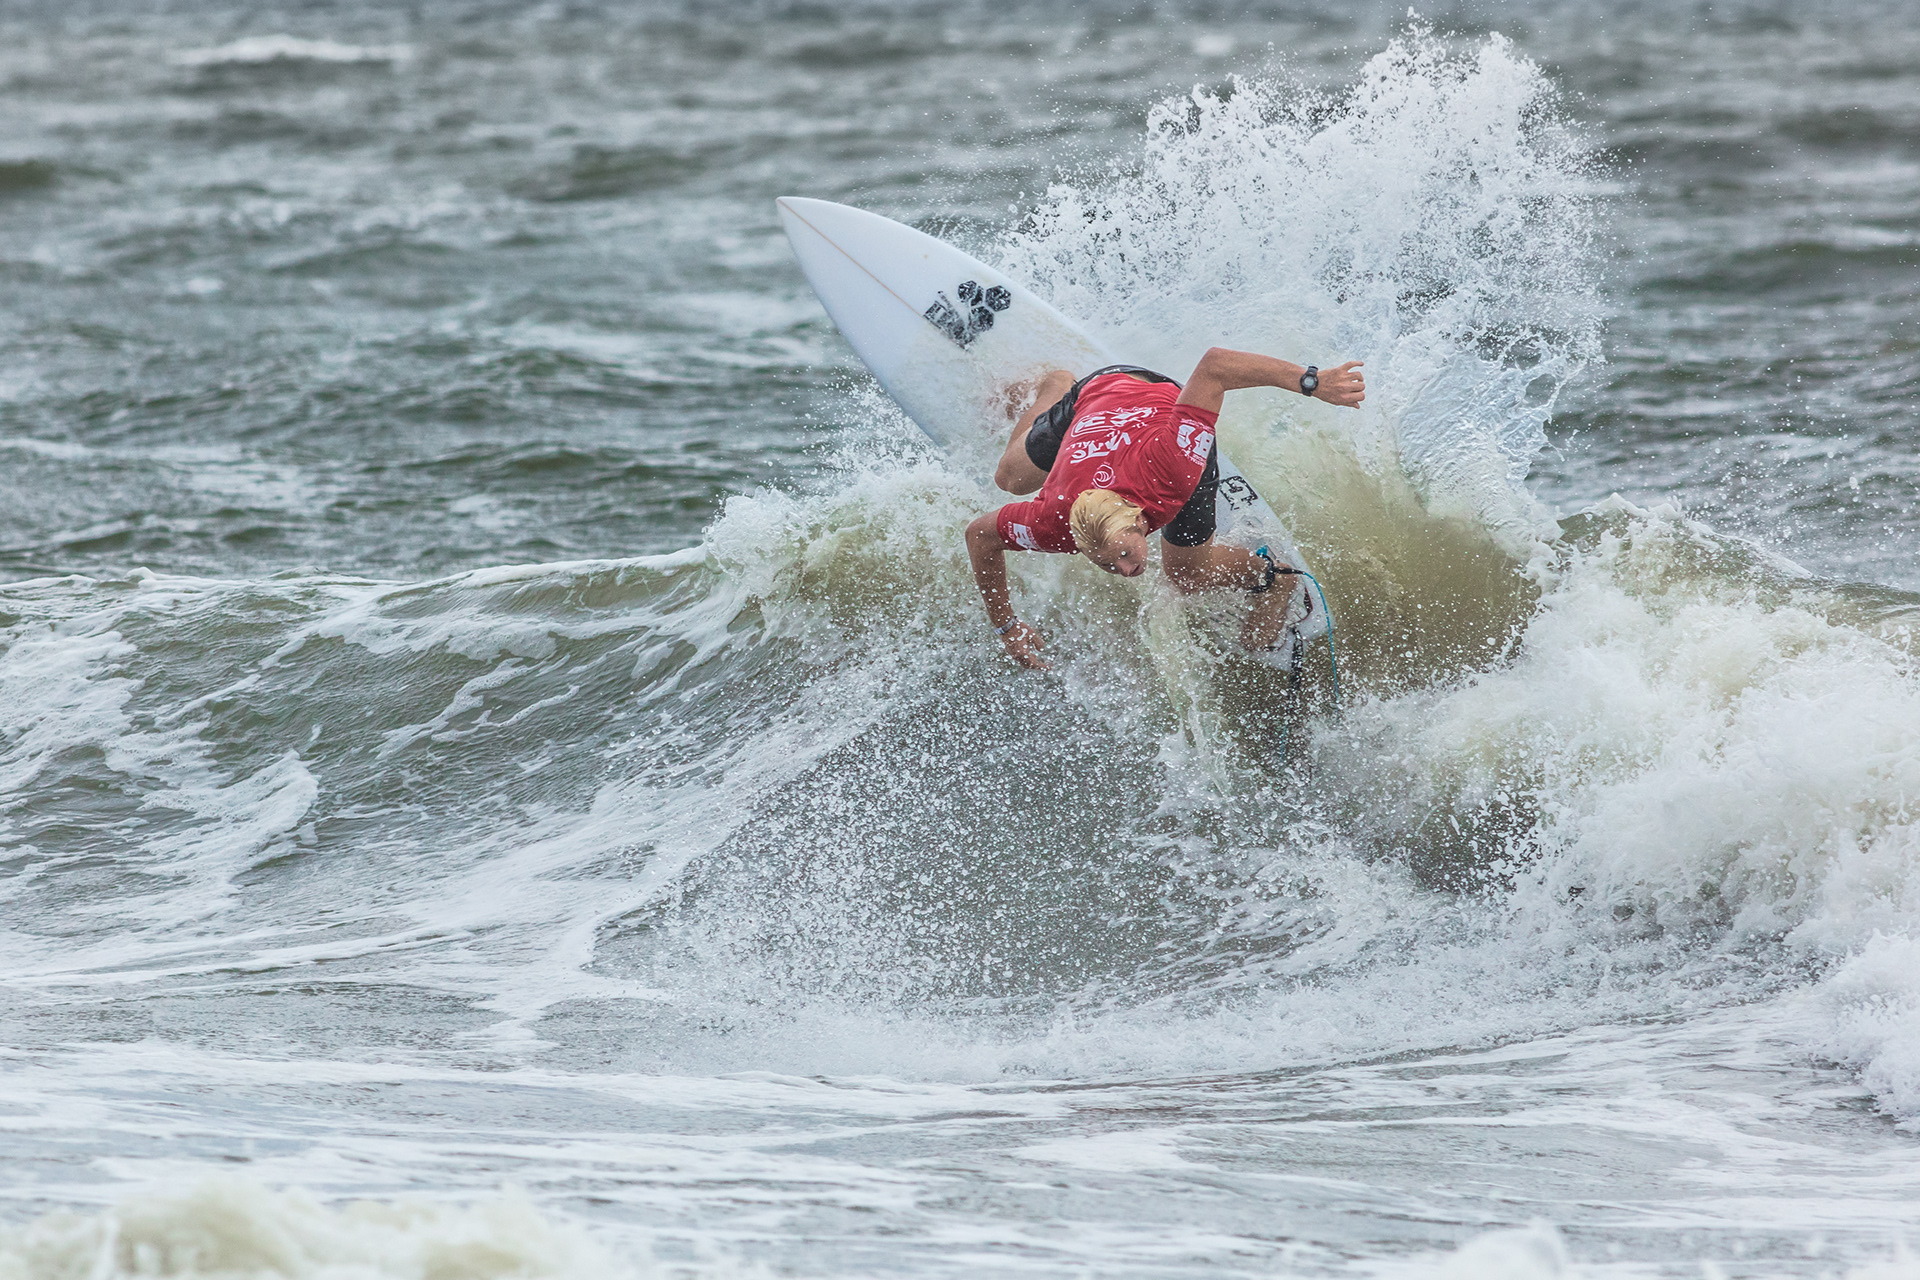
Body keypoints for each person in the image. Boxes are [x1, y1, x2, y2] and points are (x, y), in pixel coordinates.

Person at [964, 348, 1365, 669]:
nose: (1125, 570)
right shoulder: (1051, 524)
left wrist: (1313, 382)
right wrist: (1006, 625)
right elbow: (980, 536)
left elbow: (1215, 367)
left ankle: (1275, 576)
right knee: (1009, 479)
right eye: (1107, 564)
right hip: (1092, 400)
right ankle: (1056, 384)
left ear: (1140, 521)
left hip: (1141, 398)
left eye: (1124, 554)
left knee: (1187, 576)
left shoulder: (1173, 465)